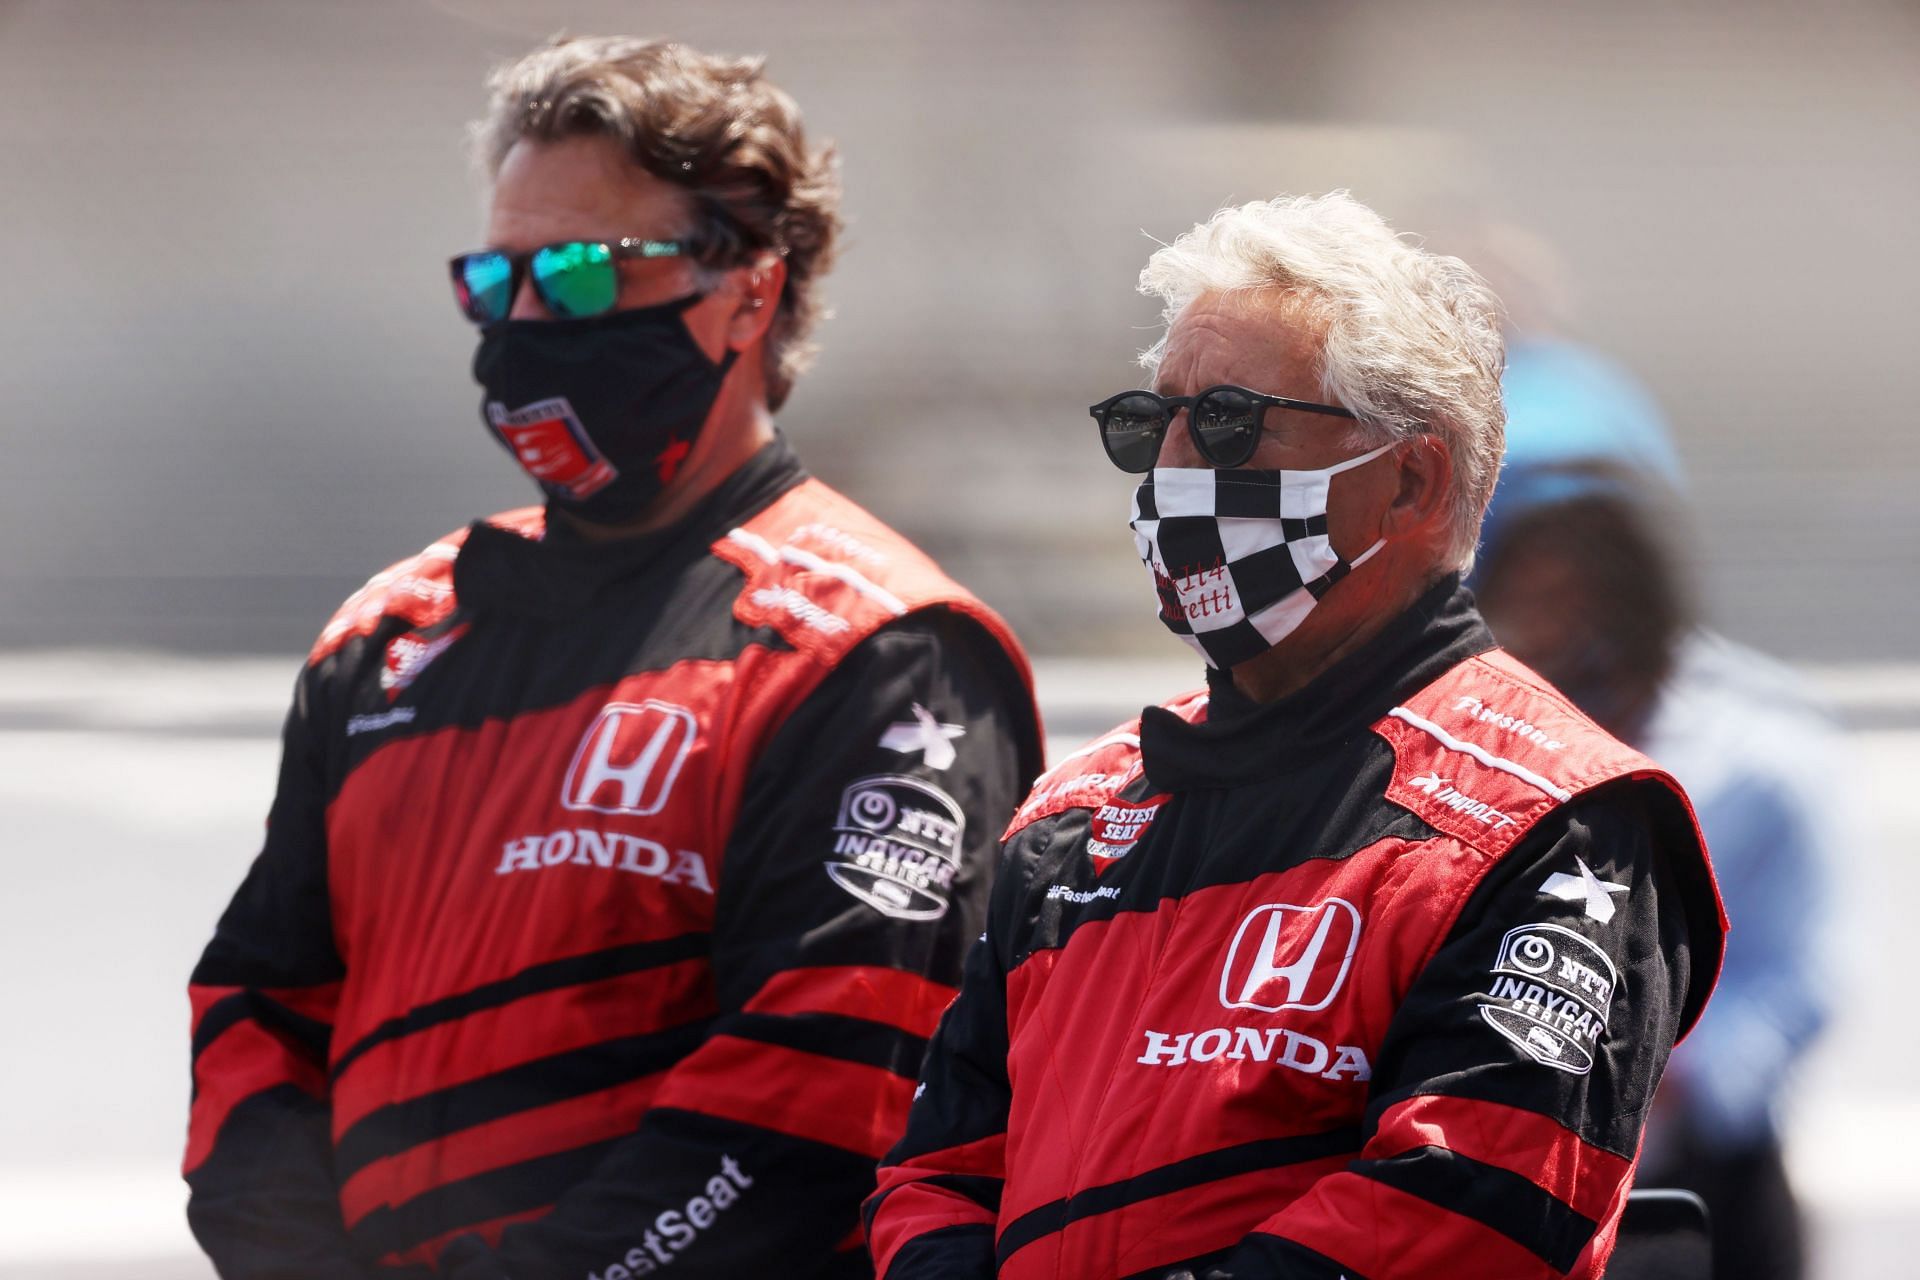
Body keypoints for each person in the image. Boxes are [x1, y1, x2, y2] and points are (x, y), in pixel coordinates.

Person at [184, 35, 1043, 1280]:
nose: (526, 322)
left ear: (750, 290)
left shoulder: (882, 649)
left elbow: (825, 1093)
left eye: (583, 278)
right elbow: (255, 1015)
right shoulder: (382, 640)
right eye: (497, 281)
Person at [864, 192, 1726, 1280]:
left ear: (1411, 480)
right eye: (1151, 423)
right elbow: (937, 1172)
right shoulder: (1073, 820)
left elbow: (1469, 1207)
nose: (1173, 465)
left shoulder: (1556, 817)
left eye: (1226, 421)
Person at [1474, 427, 1837, 1280]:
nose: (1560, 620)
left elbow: (1803, 979)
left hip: (1699, 1175)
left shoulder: (1760, 750)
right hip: (1514, 1165)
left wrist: (1658, 1077)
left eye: (1583, 589)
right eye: (1533, 591)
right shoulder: (1477, 745)